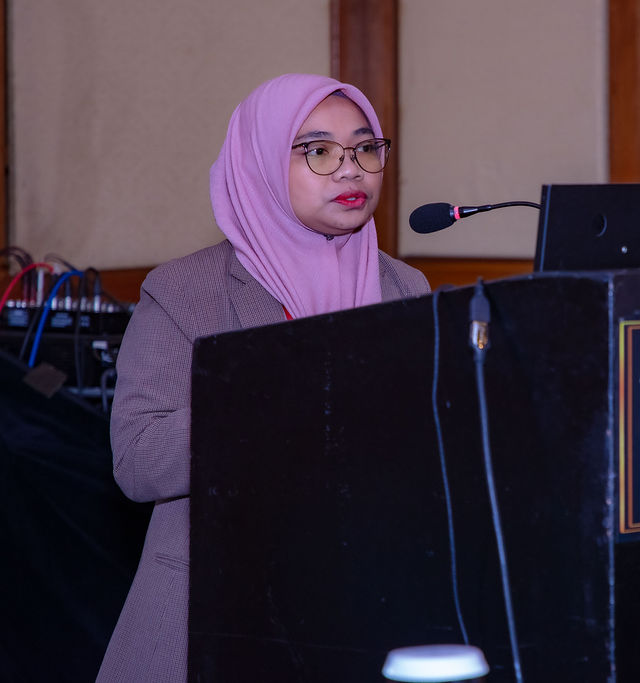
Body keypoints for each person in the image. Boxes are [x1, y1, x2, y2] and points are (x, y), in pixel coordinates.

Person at [96, 74, 430, 682]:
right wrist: (278, 389)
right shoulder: (185, 291)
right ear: (261, 164)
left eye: (365, 148)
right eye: (318, 150)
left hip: (364, 599)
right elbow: (139, 461)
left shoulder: (405, 288)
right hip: (220, 610)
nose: (350, 169)